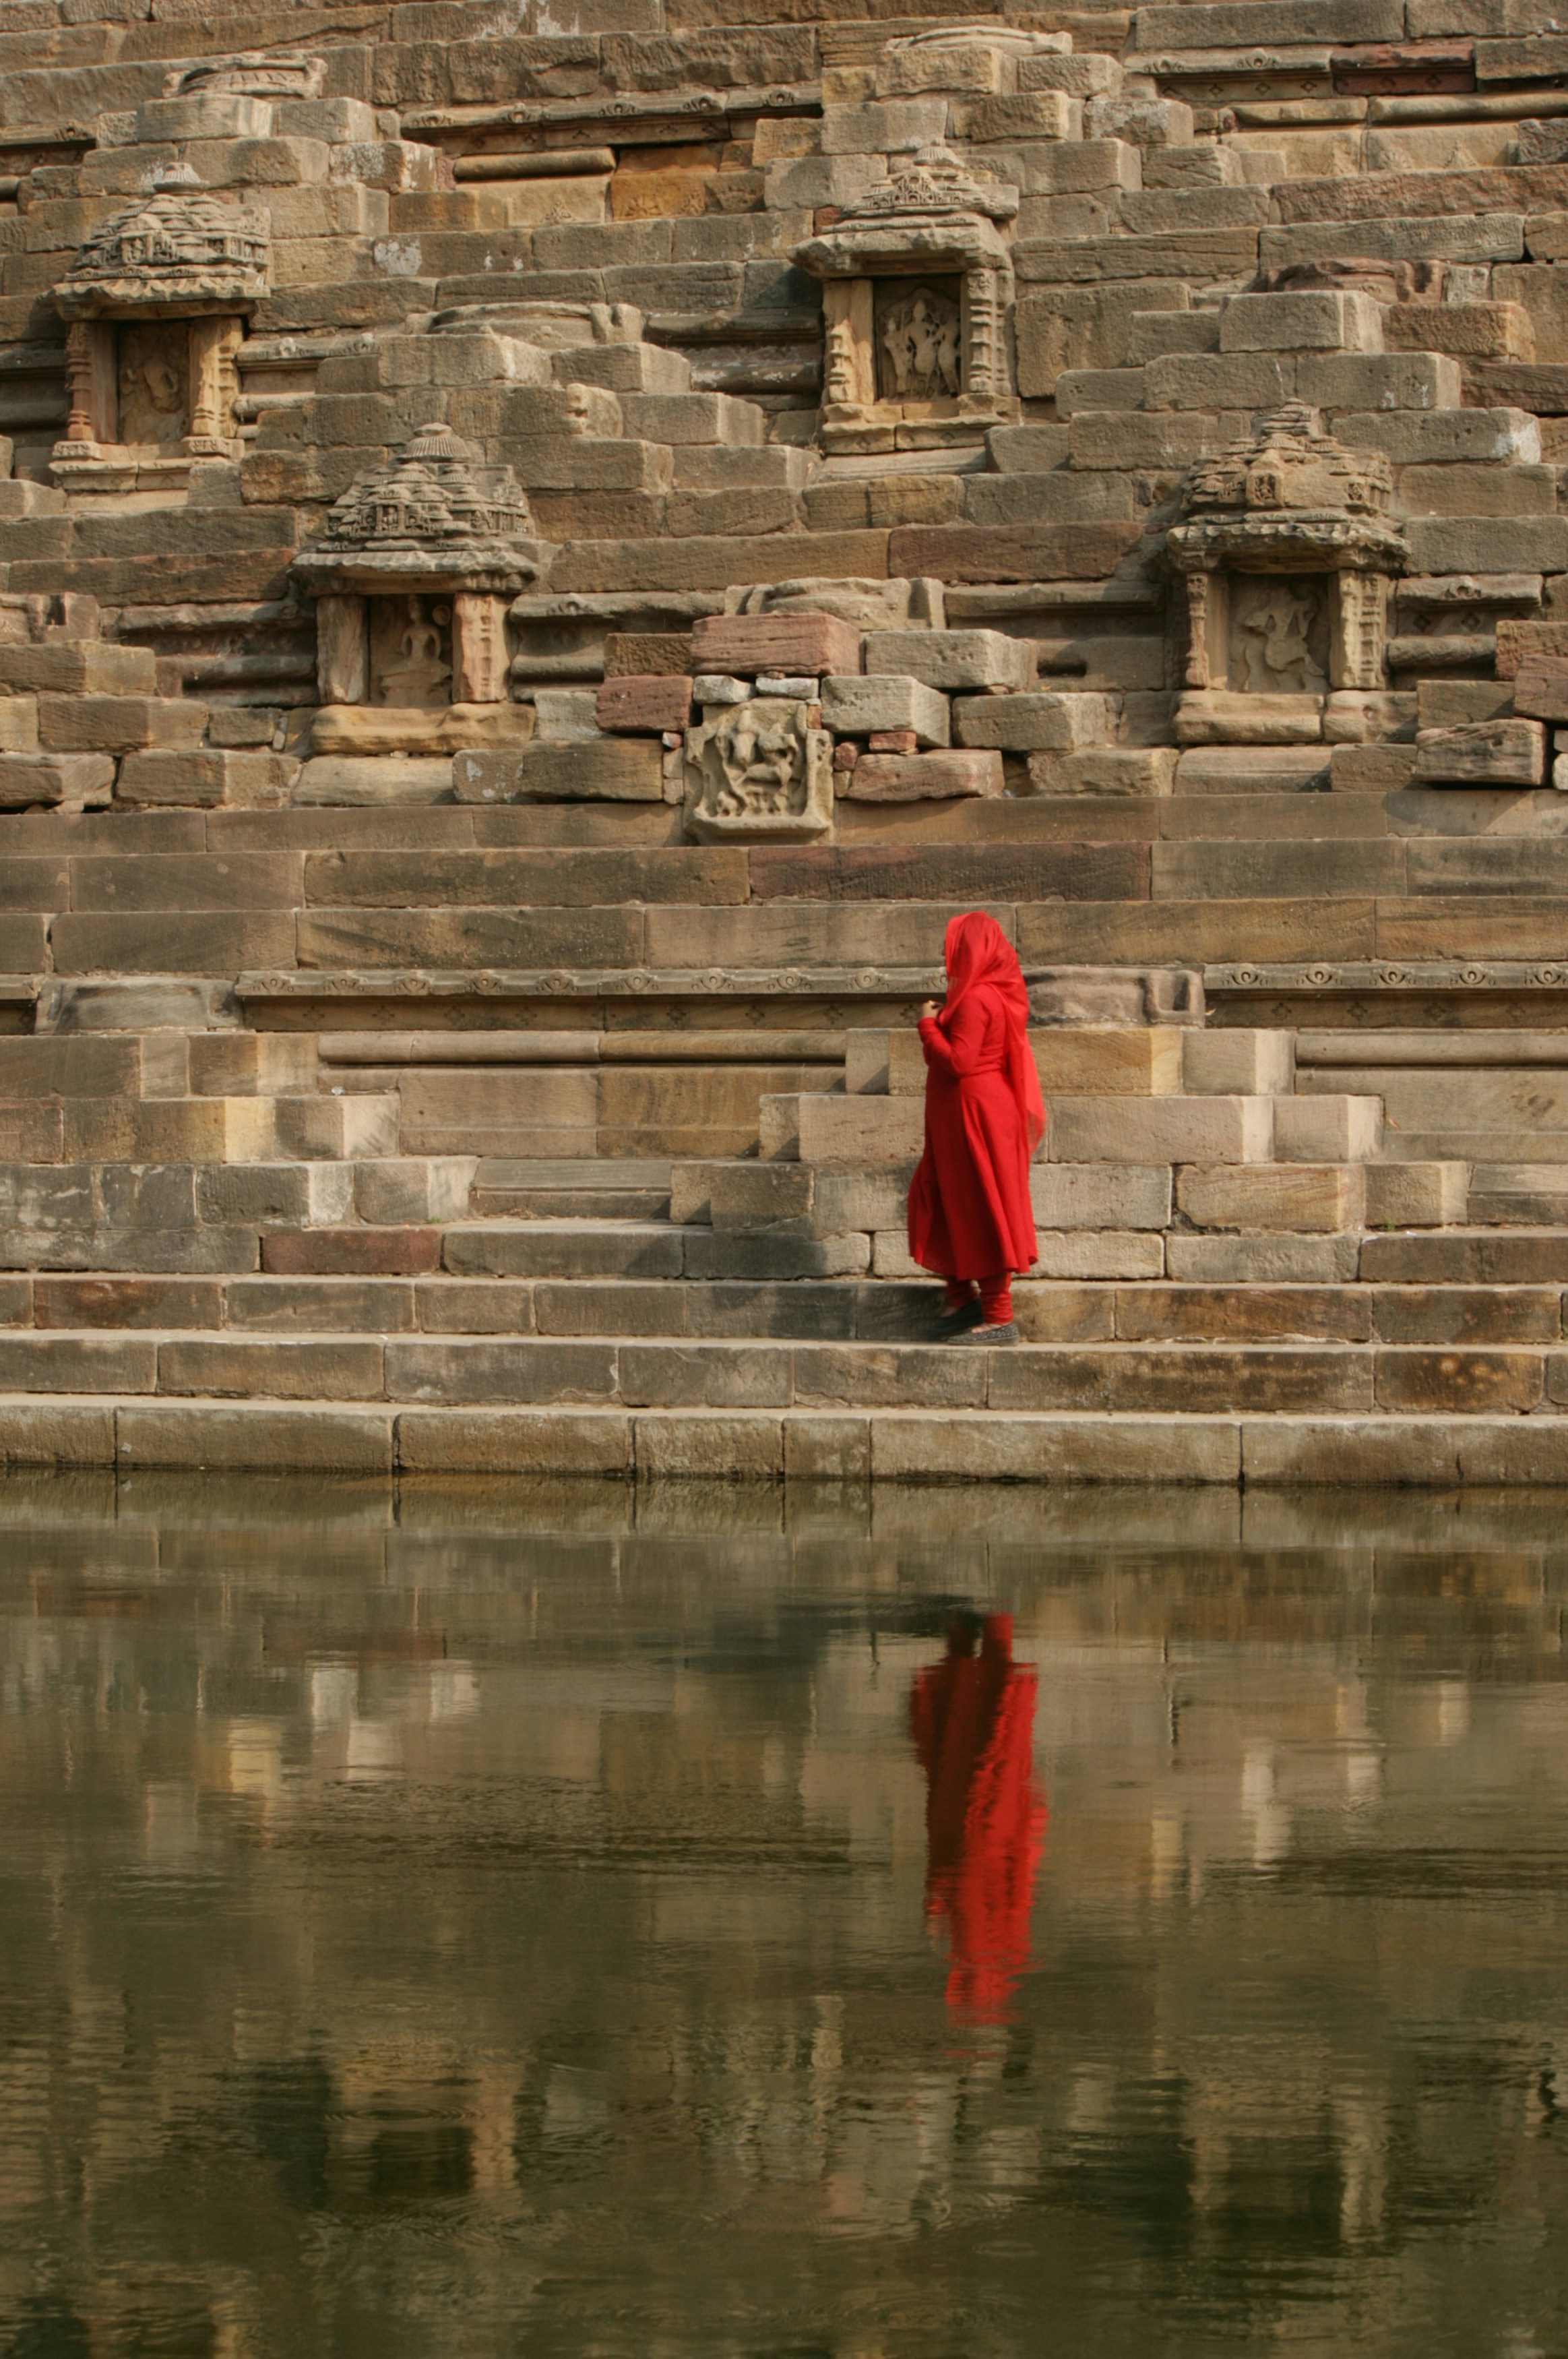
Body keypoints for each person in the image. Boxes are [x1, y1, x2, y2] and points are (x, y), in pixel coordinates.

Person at [906, 911, 1044, 1343]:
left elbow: (961, 1062)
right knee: (951, 1198)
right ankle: (961, 1296)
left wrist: (928, 1025)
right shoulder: (983, 996)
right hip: (965, 1117)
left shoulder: (976, 999)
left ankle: (999, 1317)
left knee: (982, 1205)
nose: (946, 958)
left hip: (975, 1117)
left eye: (951, 950)